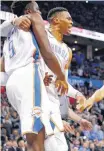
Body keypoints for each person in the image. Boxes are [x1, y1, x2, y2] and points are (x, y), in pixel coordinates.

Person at [0, 1, 68, 151]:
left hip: (13, 84)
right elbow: (48, 53)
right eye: (38, 9)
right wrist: (61, 76)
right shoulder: (33, 17)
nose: (40, 13)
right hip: (28, 77)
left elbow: (2, 69)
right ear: (28, 11)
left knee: (43, 133)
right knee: (35, 138)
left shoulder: (9, 36)